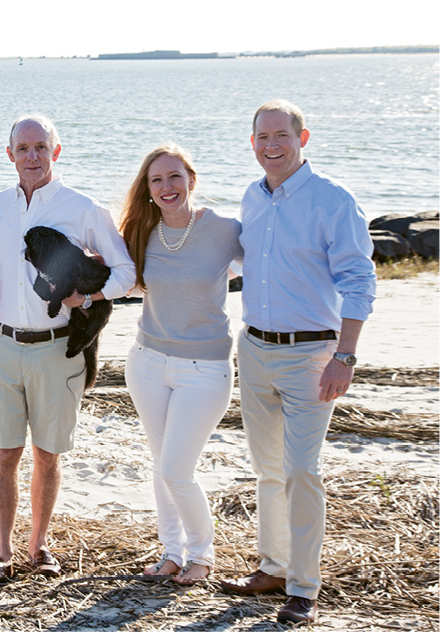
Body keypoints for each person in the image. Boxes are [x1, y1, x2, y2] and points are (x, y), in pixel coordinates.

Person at [218, 100, 376, 624]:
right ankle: (274, 567)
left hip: (313, 353)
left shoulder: (333, 199)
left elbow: (359, 280)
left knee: (301, 470)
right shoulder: (252, 197)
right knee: (266, 469)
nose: (271, 146)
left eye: (280, 135)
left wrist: (345, 357)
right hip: (255, 348)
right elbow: (248, 260)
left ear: (302, 138)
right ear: (252, 143)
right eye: (261, 137)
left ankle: (304, 588)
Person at [0, 114, 136, 583]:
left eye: (41, 147)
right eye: (23, 148)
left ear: (56, 151)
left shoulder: (83, 208)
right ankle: (2, 552)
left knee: (47, 454)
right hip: (1, 344)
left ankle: (38, 547)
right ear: (9, 154)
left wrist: (85, 299)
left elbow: (124, 272)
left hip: (57, 348)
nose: (32, 156)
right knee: (4, 454)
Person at [118, 144, 242, 585]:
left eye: (174, 176)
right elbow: (120, 279)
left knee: (177, 469)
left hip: (205, 369)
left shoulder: (225, 230)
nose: (166, 187)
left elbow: (269, 268)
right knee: (160, 464)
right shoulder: (141, 232)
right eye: (157, 180)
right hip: (148, 362)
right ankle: (172, 553)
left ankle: (203, 557)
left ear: (192, 178)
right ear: (147, 189)